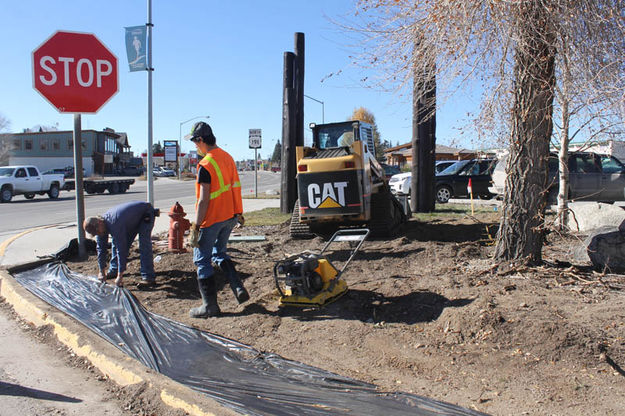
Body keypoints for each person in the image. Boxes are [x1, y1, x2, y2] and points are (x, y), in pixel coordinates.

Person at [185, 121, 249, 318]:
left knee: (202, 260)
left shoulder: (205, 165)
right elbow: (235, 187)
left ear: (201, 140)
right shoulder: (227, 157)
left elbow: (204, 200)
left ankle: (209, 306)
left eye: (195, 142)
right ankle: (238, 287)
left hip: (211, 220)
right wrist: (238, 213)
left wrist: (196, 225)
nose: (195, 146)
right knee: (219, 253)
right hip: (229, 216)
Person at [83, 201, 158, 287]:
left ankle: (148, 277)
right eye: (95, 233)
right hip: (130, 221)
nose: (98, 234)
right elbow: (101, 248)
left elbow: (121, 249)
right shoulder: (101, 226)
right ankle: (114, 269)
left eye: (97, 232)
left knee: (144, 244)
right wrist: (101, 272)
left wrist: (120, 277)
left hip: (145, 213)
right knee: (116, 242)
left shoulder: (114, 223)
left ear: (99, 223)